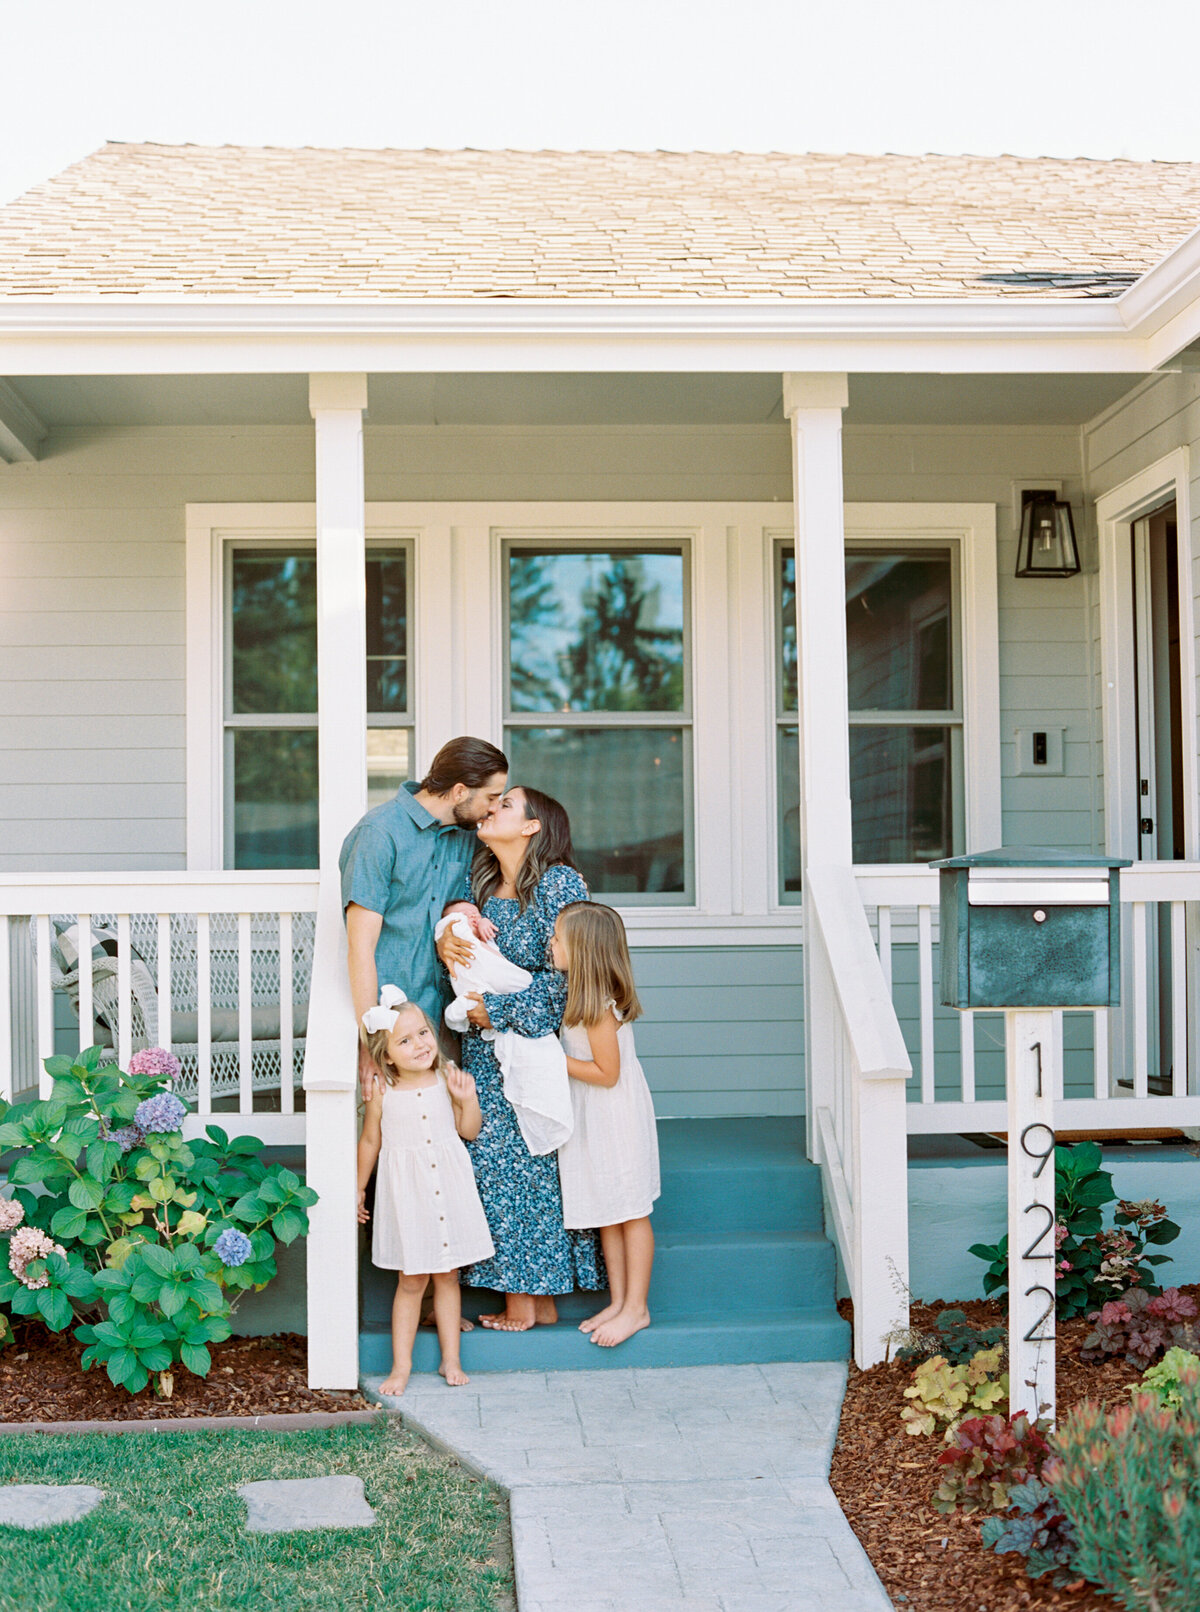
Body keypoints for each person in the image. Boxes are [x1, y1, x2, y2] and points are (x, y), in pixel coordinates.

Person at [437, 786, 605, 1332]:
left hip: (532, 1043)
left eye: (506, 805)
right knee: (492, 1166)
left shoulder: (559, 883)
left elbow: (572, 974)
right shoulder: (478, 881)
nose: (492, 810)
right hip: (483, 1050)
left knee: (528, 1166)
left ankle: (525, 1301)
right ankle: (537, 1298)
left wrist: (500, 1010)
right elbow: (458, 938)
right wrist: (449, 936)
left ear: (532, 827)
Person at [340, 735, 508, 1092]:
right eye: (491, 798)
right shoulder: (379, 834)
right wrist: (370, 1043)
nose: (494, 808)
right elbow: (361, 947)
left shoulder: (468, 836)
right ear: (460, 791)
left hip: (453, 1021)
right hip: (397, 1029)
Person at [355, 988, 494, 1395]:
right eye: (404, 1040)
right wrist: (358, 1189)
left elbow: (468, 1131)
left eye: (422, 1034)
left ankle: (451, 1357)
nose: (419, 1045)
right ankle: (401, 1366)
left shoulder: (447, 1079)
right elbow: (369, 1143)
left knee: (448, 1276)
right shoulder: (381, 1093)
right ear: (385, 1055)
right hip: (408, 1197)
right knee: (412, 1280)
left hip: (448, 1189)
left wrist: (468, 1102)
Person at [550, 902, 660, 1347]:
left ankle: (638, 1308)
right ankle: (618, 1301)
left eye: (558, 938)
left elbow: (607, 1073)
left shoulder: (597, 1007)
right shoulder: (582, 997)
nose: (550, 943)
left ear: (582, 949)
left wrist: (554, 1062)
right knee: (609, 1213)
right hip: (594, 1116)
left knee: (631, 1211)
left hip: (614, 1118)